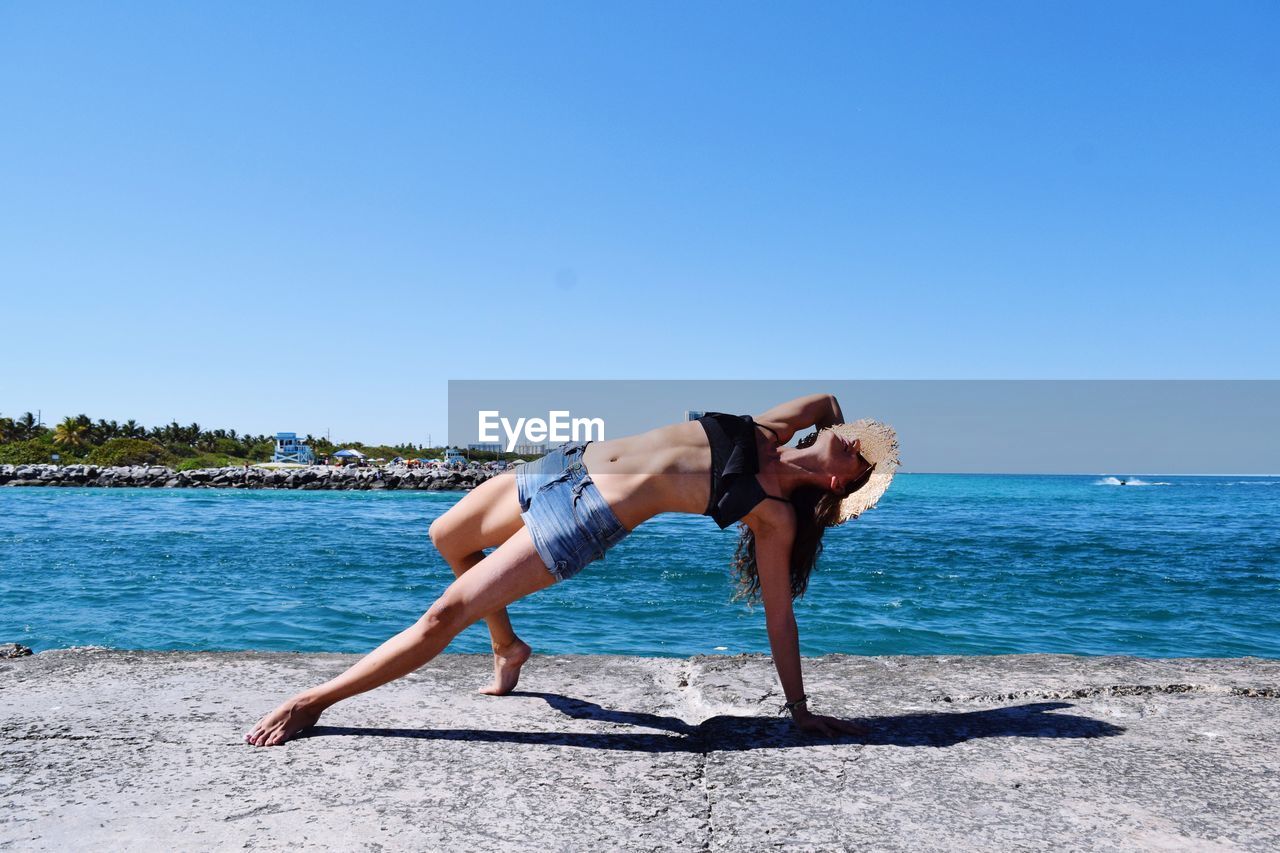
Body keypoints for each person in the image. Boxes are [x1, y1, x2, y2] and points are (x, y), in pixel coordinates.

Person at [245, 393, 899, 747]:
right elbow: (829, 400)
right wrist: (844, 435)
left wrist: (801, 709)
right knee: (446, 534)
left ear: (844, 481)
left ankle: (314, 701)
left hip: (582, 521)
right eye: (860, 437)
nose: (856, 439)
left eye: (861, 455)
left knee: (444, 613)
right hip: (567, 465)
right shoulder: (775, 427)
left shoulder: (775, 516)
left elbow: (779, 614)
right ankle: (508, 645)